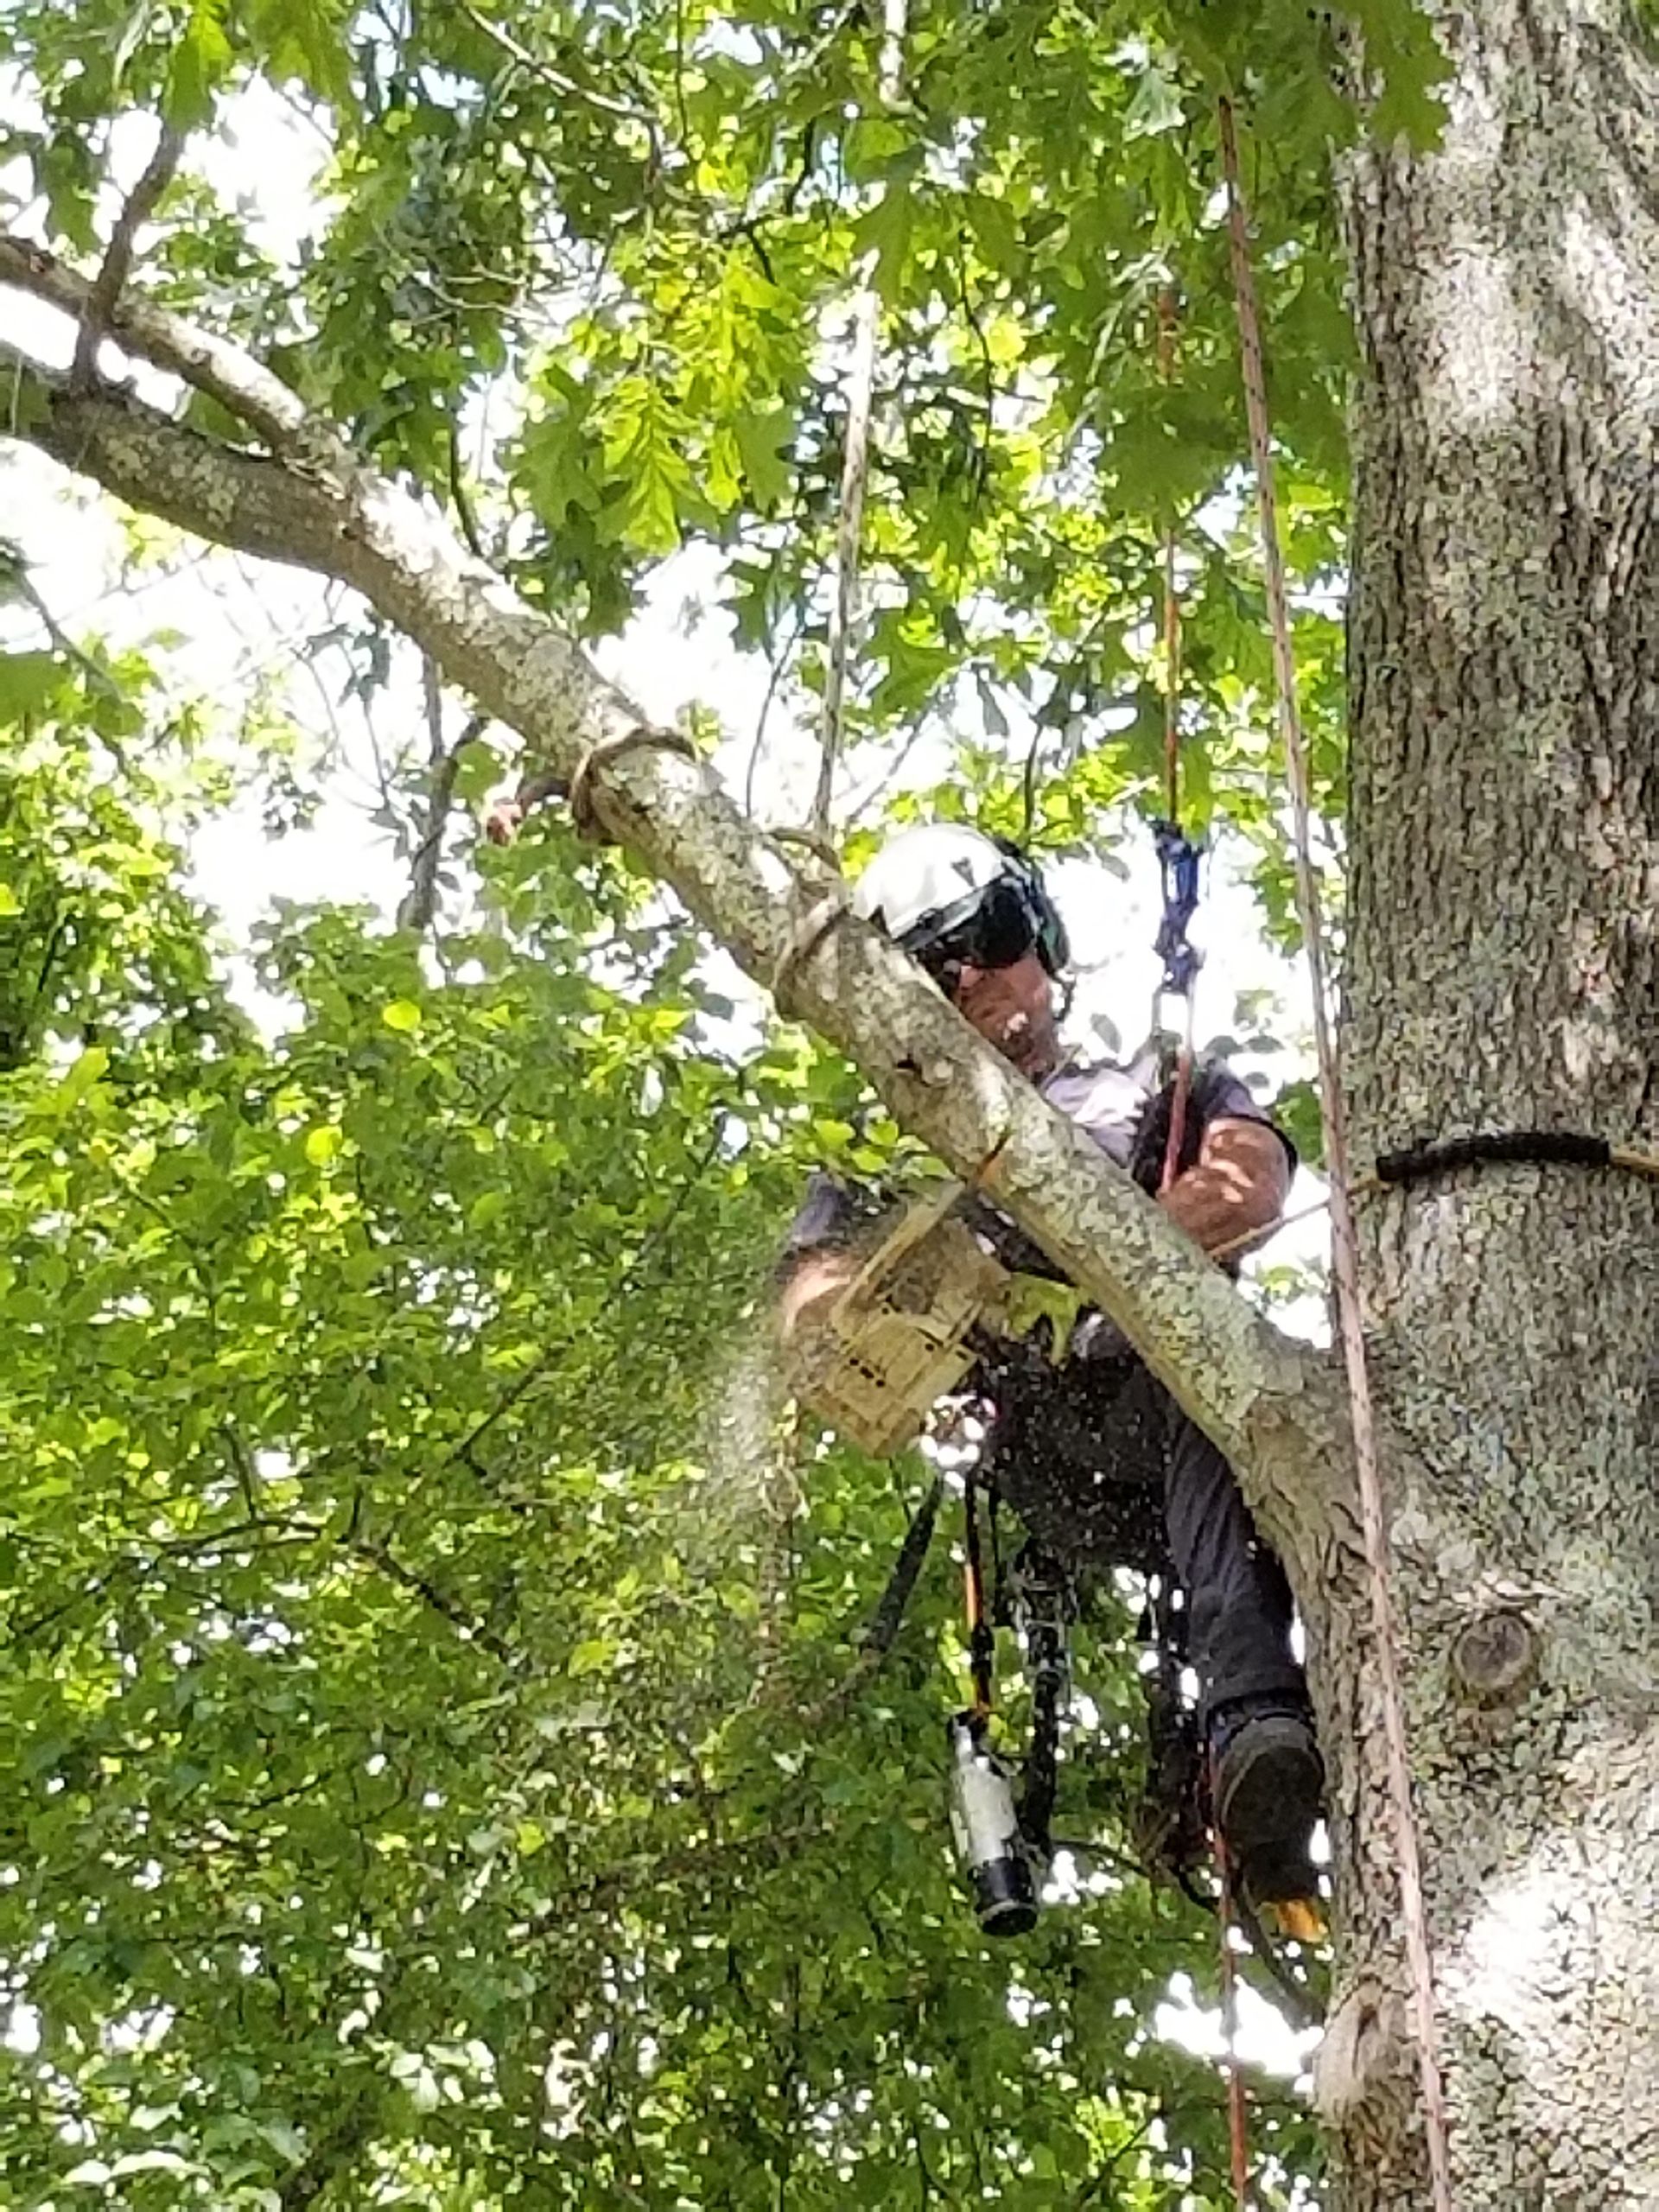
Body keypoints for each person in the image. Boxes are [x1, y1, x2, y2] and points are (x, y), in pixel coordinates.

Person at [776, 823, 1323, 1908]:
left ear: (1040, 936)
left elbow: (1250, 1179)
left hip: (1189, 1403)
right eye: (940, 966)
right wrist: (932, 1305)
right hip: (1046, 1441)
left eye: (992, 936)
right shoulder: (891, 1163)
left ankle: (1267, 1760)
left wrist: (1093, 1271)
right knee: (1192, 1390)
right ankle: (1252, 1717)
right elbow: (811, 1306)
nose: (976, 980)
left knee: (1212, 1373)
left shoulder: (1155, 1087)